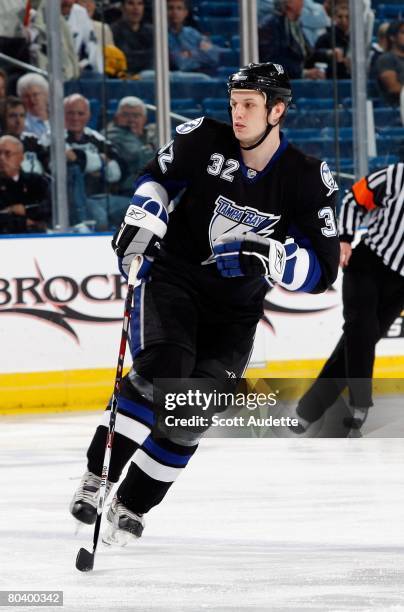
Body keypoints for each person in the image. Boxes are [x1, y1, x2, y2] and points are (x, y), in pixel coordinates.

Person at [70, 62, 340, 544]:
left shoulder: (305, 177)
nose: (238, 114)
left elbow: (322, 273)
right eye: (235, 103)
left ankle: (131, 503)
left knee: (195, 407)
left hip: (234, 313)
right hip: (175, 282)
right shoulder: (203, 140)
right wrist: (144, 220)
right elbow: (155, 180)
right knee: (163, 370)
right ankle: (98, 476)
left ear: (276, 110)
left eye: (250, 106)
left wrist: (276, 255)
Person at [292, 163, 404, 434]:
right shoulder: (395, 176)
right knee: (361, 330)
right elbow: (355, 197)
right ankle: (360, 403)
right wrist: (344, 238)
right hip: (367, 263)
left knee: (355, 344)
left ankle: (307, 411)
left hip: (400, 284)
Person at [63, 93, 126, 229]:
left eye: (80, 113)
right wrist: (102, 163)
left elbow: (118, 172)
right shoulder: (53, 136)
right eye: (70, 113)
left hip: (104, 197)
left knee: (141, 211)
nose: (75, 118)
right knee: (99, 217)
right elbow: (71, 165)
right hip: (71, 202)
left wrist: (84, 162)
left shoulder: (97, 138)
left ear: (88, 116)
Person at [259, 0, 325, 80]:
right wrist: (303, 73)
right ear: (289, 2)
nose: (302, 3)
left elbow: (307, 53)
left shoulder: (295, 24)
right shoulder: (271, 25)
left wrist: (328, 54)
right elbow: (272, 63)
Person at [106, 96, 156, 197]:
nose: (131, 119)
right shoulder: (111, 134)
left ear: (144, 119)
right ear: (117, 117)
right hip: (126, 193)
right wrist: (152, 148)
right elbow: (137, 157)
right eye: (125, 115)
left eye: (136, 115)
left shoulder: (154, 131)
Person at [0, 135, 50, 233]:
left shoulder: (36, 181)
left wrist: (26, 210)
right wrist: (23, 223)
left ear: (21, 158)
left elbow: (49, 207)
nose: (1, 158)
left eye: (7, 153)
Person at [167, 0, 220, 74]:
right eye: (170, 8)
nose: (175, 12)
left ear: (185, 13)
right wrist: (199, 52)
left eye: (179, 8)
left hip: (197, 76)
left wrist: (190, 53)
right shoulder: (161, 35)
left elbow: (213, 56)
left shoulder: (192, 33)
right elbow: (181, 64)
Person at [0, 96, 49, 175]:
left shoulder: (32, 140)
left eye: (22, 116)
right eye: (12, 116)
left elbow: (48, 164)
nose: (18, 121)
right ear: (2, 119)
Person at [111, 0, 154, 75]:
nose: (136, 8)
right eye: (131, 3)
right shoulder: (114, 31)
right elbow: (124, 60)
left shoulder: (151, 31)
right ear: (122, 7)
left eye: (140, 4)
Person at [314, 2, 351, 79]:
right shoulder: (324, 38)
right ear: (334, 18)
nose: (344, 20)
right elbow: (315, 55)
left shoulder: (354, 40)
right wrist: (329, 53)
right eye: (340, 17)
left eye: (347, 17)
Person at [375, 20, 404, 106]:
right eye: (403, 33)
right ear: (392, 37)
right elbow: (393, 88)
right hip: (395, 109)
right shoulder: (386, 59)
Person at [16, 73, 49, 139]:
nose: (31, 99)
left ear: (46, 94)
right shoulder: (22, 124)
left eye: (35, 94)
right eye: (26, 96)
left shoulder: (59, 117)